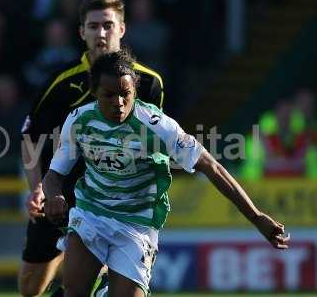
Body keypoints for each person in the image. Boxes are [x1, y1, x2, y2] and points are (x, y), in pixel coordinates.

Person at [43, 50, 290, 297]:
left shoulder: (157, 126)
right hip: (92, 213)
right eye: (109, 95)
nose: (118, 102)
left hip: (136, 222)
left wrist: (256, 217)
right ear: (94, 92)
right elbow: (54, 175)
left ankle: (106, 289)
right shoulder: (78, 121)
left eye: (125, 94)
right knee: (73, 291)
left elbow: (211, 166)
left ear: (134, 92)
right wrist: (54, 196)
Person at [19, 0, 164, 296]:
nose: (101, 33)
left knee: (88, 279)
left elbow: (153, 145)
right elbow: (30, 136)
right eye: (93, 26)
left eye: (108, 25)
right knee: (30, 288)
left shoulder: (148, 83)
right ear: (81, 32)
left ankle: (95, 276)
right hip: (61, 193)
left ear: (122, 29)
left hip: (110, 200)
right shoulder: (62, 83)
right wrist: (38, 188)